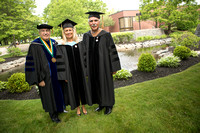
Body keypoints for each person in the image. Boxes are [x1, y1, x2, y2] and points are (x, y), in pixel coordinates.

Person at [25, 24, 66, 123]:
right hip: (44, 77)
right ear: (39, 32)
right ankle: (53, 114)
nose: (45, 32)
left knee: (58, 91)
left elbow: (60, 57)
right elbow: (32, 63)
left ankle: (60, 108)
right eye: (43, 31)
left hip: (56, 74)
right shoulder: (35, 45)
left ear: (50, 32)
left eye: (47, 30)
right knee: (48, 95)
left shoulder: (54, 42)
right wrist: (39, 79)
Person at [82, 11, 121, 115]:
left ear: (99, 22)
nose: (93, 23)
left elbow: (112, 51)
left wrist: (114, 67)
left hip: (105, 66)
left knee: (106, 85)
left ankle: (109, 105)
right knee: (96, 85)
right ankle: (101, 104)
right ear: (89, 23)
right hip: (92, 67)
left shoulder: (106, 35)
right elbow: (83, 54)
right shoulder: (86, 36)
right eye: (91, 21)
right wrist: (85, 68)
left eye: (95, 20)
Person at [56, 19, 92, 116]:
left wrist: (86, 71)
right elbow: (60, 62)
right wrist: (64, 76)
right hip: (70, 73)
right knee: (73, 90)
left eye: (70, 30)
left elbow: (85, 58)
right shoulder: (61, 46)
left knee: (82, 89)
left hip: (81, 72)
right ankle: (77, 108)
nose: (68, 32)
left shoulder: (80, 44)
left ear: (73, 31)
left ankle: (83, 106)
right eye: (66, 31)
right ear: (64, 32)